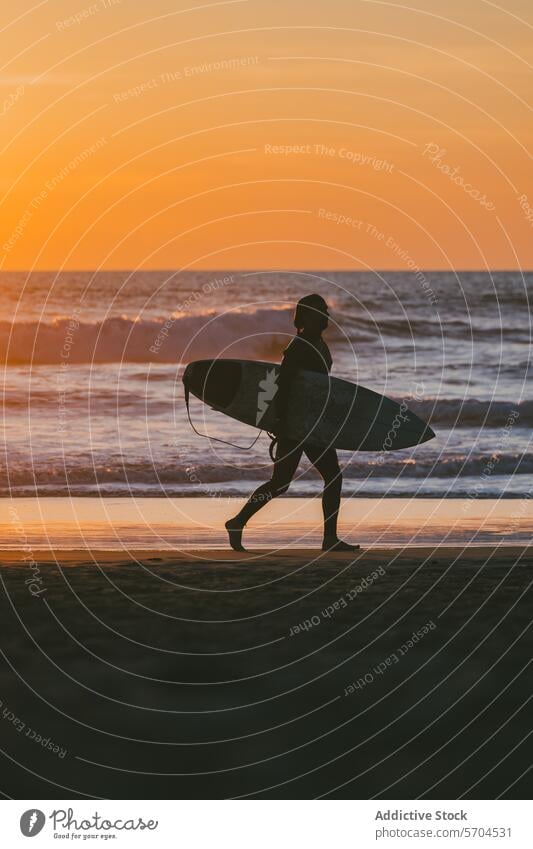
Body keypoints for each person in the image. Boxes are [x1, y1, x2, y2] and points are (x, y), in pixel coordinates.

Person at [225, 294, 359, 552]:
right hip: (296, 425)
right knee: (283, 483)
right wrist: (279, 421)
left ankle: (329, 538)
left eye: (326, 311)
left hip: (311, 422)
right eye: (321, 312)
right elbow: (283, 384)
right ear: (308, 316)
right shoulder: (299, 347)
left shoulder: (316, 342)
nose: (327, 316)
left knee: (329, 476)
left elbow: (316, 387)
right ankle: (238, 521)